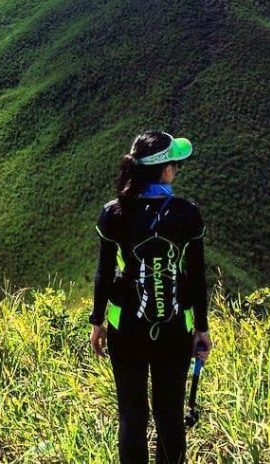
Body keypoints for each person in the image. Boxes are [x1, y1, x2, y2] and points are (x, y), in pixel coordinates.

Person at [89, 130, 212, 464]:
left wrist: (97, 322)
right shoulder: (187, 214)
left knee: (131, 415)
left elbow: (104, 273)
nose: (176, 170)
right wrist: (202, 328)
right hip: (173, 330)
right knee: (170, 416)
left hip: (124, 328)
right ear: (165, 170)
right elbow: (196, 275)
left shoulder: (113, 213)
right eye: (174, 164)